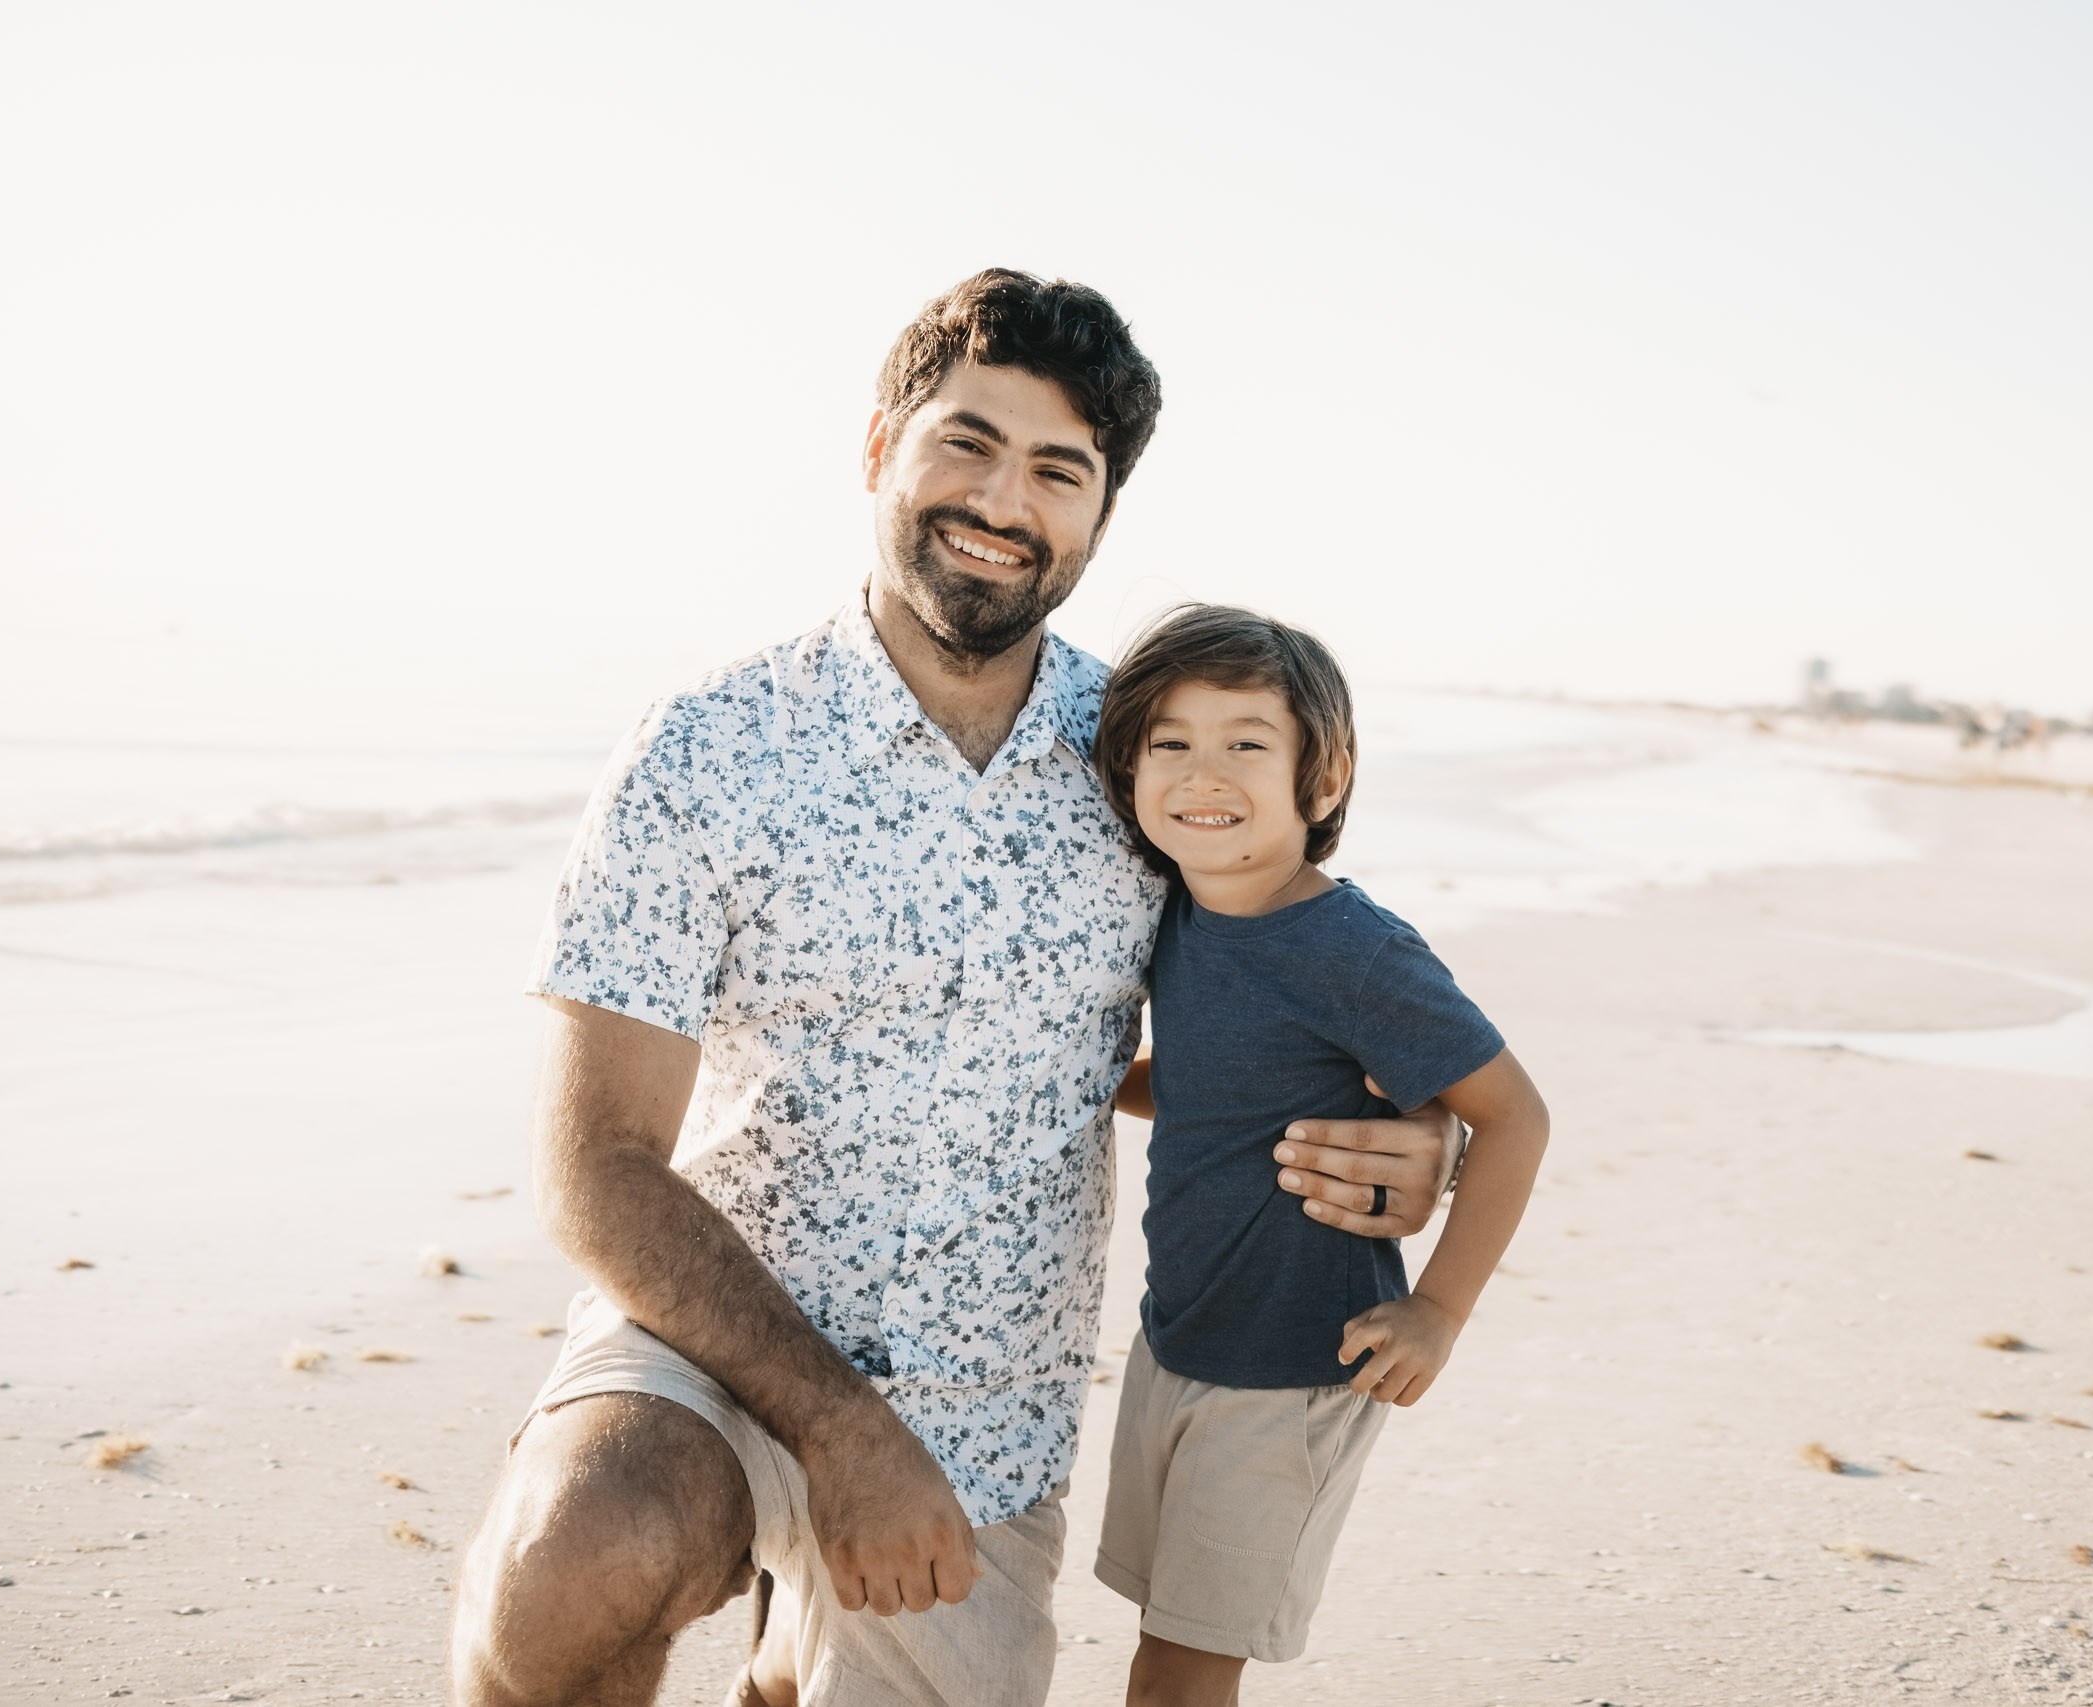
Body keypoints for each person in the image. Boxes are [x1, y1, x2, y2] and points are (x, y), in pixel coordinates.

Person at [449, 269, 1460, 1707]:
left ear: (1099, 514)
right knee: (573, 1553)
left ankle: (788, 1662)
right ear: (880, 448)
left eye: (1057, 469)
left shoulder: (1147, 763)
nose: (1002, 499)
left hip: (982, 1420)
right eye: (966, 443)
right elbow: (592, 1163)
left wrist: (1409, 1133)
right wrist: (838, 1427)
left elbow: (1275, 993)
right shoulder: (709, 749)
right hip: (709, 1345)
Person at [1090, 605, 1552, 1706]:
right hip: (1178, 1336)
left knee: (1186, 1668)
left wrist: (1438, 1310)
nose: (1204, 772)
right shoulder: (1183, 913)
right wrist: (1076, 1079)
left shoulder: (1352, 951)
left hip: (1293, 1365)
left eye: (1246, 742)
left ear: (1324, 777)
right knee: (1158, 1638)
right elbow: (1204, 1086)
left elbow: (1515, 1116)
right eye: (1170, 740)